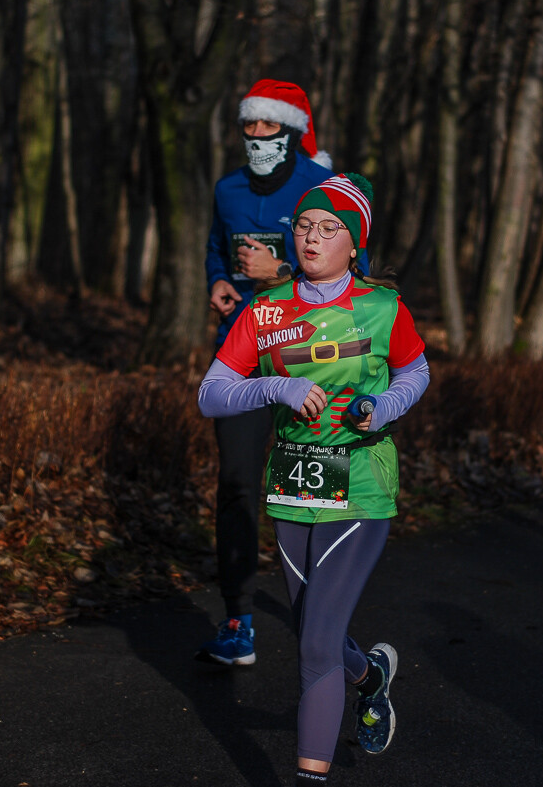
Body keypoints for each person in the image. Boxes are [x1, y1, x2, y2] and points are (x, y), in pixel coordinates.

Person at [198, 173, 429, 785]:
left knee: (316, 647)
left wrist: (384, 406)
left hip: (361, 484)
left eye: (329, 228)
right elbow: (211, 393)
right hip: (293, 486)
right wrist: (277, 386)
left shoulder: (381, 307)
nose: (312, 237)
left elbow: (416, 371)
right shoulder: (267, 310)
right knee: (313, 634)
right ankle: (371, 678)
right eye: (303, 226)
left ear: (354, 245)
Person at [197, 79, 336, 666]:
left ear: (292, 132)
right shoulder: (227, 189)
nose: (256, 136)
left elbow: (354, 273)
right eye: (249, 126)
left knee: (311, 491)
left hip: (313, 355)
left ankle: (324, 619)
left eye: (268, 126)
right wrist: (219, 281)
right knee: (236, 485)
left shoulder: (321, 189)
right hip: (243, 356)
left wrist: (280, 272)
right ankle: (238, 620)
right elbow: (215, 248)